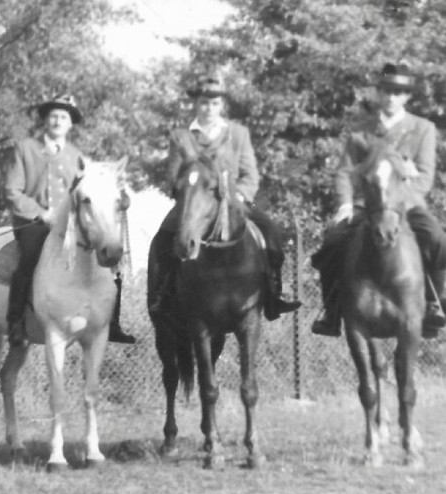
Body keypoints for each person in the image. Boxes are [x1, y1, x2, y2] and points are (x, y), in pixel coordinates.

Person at [147, 73, 301, 321]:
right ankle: (163, 294)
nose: (209, 108)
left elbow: (250, 173)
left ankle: (273, 294)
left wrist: (238, 195)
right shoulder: (181, 137)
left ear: (222, 106)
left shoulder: (238, 134)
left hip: (234, 203)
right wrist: (188, 193)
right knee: (163, 238)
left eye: (214, 103)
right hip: (194, 205)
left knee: (271, 231)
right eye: (204, 103)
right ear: (196, 105)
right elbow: (174, 178)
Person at [311, 62, 446, 337]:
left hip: (406, 205)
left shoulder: (423, 129)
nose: (391, 97)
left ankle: (435, 303)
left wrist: (396, 205)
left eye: (398, 92)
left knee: (436, 237)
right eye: (386, 91)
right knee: (333, 242)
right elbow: (344, 172)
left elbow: (424, 176)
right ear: (379, 93)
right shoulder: (360, 131)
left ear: (407, 96)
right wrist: (345, 204)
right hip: (366, 206)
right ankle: (332, 310)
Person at [5, 94, 136, 347]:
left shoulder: (76, 156)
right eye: (53, 115)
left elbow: (88, 192)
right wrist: (40, 213)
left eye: (63, 117)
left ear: (70, 124)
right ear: (46, 120)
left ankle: (112, 324)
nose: (57, 121)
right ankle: (16, 322)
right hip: (32, 222)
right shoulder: (25, 149)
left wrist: (119, 196)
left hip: (67, 225)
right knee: (30, 254)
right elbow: (13, 191)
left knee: (107, 256)